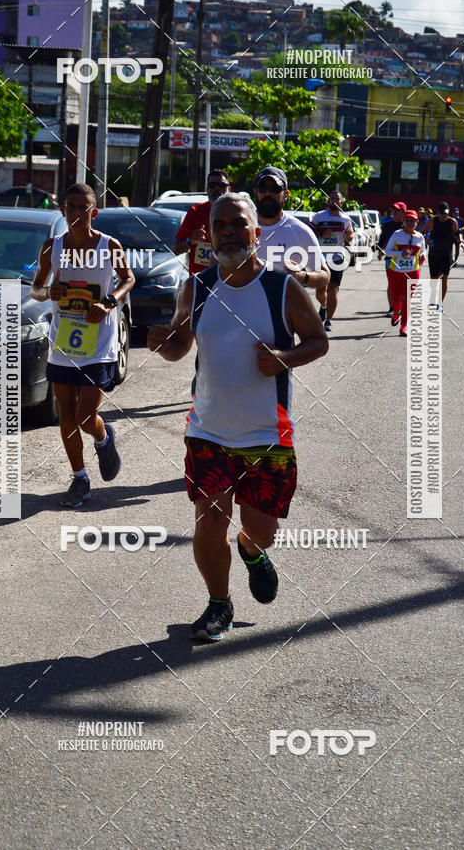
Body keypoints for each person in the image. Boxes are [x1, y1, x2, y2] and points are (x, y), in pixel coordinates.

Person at [147, 193, 328, 641]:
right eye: (220, 224)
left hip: (267, 433)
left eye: (238, 224)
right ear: (208, 234)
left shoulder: (281, 288)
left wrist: (284, 358)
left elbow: (318, 341)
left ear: (256, 233)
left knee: (260, 531)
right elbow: (179, 348)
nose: (228, 231)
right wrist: (160, 342)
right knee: (210, 519)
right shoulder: (196, 286)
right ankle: (218, 604)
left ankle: (251, 550)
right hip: (207, 429)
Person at [31, 183, 135, 507]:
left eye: (83, 207)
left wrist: (108, 302)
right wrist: (50, 292)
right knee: (66, 414)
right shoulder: (52, 248)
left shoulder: (109, 245)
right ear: (63, 211)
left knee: (85, 416)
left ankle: (103, 438)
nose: (77, 213)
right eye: (71, 207)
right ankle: (80, 479)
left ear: (94, 211)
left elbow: (129, 279)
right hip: (64, 343)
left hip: (99, 343)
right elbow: (35, 288)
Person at [252, 165, 330, 313]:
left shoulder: (299, 231)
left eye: (275, 189)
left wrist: (301, 276)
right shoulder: (241, 227)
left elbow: (325, 275)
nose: (268, 193)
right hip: (243, 314)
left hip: (282, 317)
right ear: (255, 192)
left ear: (286, 194)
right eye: (263, 188)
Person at [309, 190, 354, 332]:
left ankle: (328, 320)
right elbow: (309, 232)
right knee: (320, 291)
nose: (335, 200)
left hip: (337, 257)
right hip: (321, 257)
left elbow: (349, 238)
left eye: (338, 198)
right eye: (332, 198)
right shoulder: (319, 217)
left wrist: (348, 236)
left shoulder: (346, 219)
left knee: (333, 289)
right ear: (329, 201)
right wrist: (322, 233)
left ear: (342, 202)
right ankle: (323, 306)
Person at [173, 169, 230, 275]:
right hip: (201, 280)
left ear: (229, 189)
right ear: (207, 189)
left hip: (228, 279)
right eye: (212, 185)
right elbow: (176, 250)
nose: (217, 189)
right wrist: (191, 242)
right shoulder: (195, 212)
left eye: (222, 185)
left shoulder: (236, 213)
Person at [384, 209, 426, 336]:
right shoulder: (397, 234)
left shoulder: (420, 237)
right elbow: (387, 251)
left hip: (413, 272)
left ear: (417, 222)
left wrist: (423, 256)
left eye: (412, 220)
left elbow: (423, 251)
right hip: (396, 271)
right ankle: (396, 312)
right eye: (407, 220)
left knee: (407, 299)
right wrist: (400, 253)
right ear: (403, 222)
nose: (409, 222)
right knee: (396, 299)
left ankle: (403, 326)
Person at [422, 202, 459, 311]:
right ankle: (433, 297)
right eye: (442, 213)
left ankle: (440, 303)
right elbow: (422, 232)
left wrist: (458, 249)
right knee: (433, 280)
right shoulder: (432, 221)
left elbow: (457, 235)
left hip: (446, 254)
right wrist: (426, 240)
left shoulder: (452, 222)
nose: (444, 215)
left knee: (444, 279)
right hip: (434, 254)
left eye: (446, 213)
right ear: (437, 212)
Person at [378, 201, 407, 315]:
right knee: (392, 283)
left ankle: (402, 305)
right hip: (390, 258)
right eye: (393, 210)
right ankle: (392, 308)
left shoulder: (407, 225)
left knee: (404, 283)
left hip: (405, 259)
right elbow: (382, 241)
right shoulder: (387, 225)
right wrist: (380, 252)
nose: (394, 212)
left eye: (397, 210)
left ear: (403, 212)